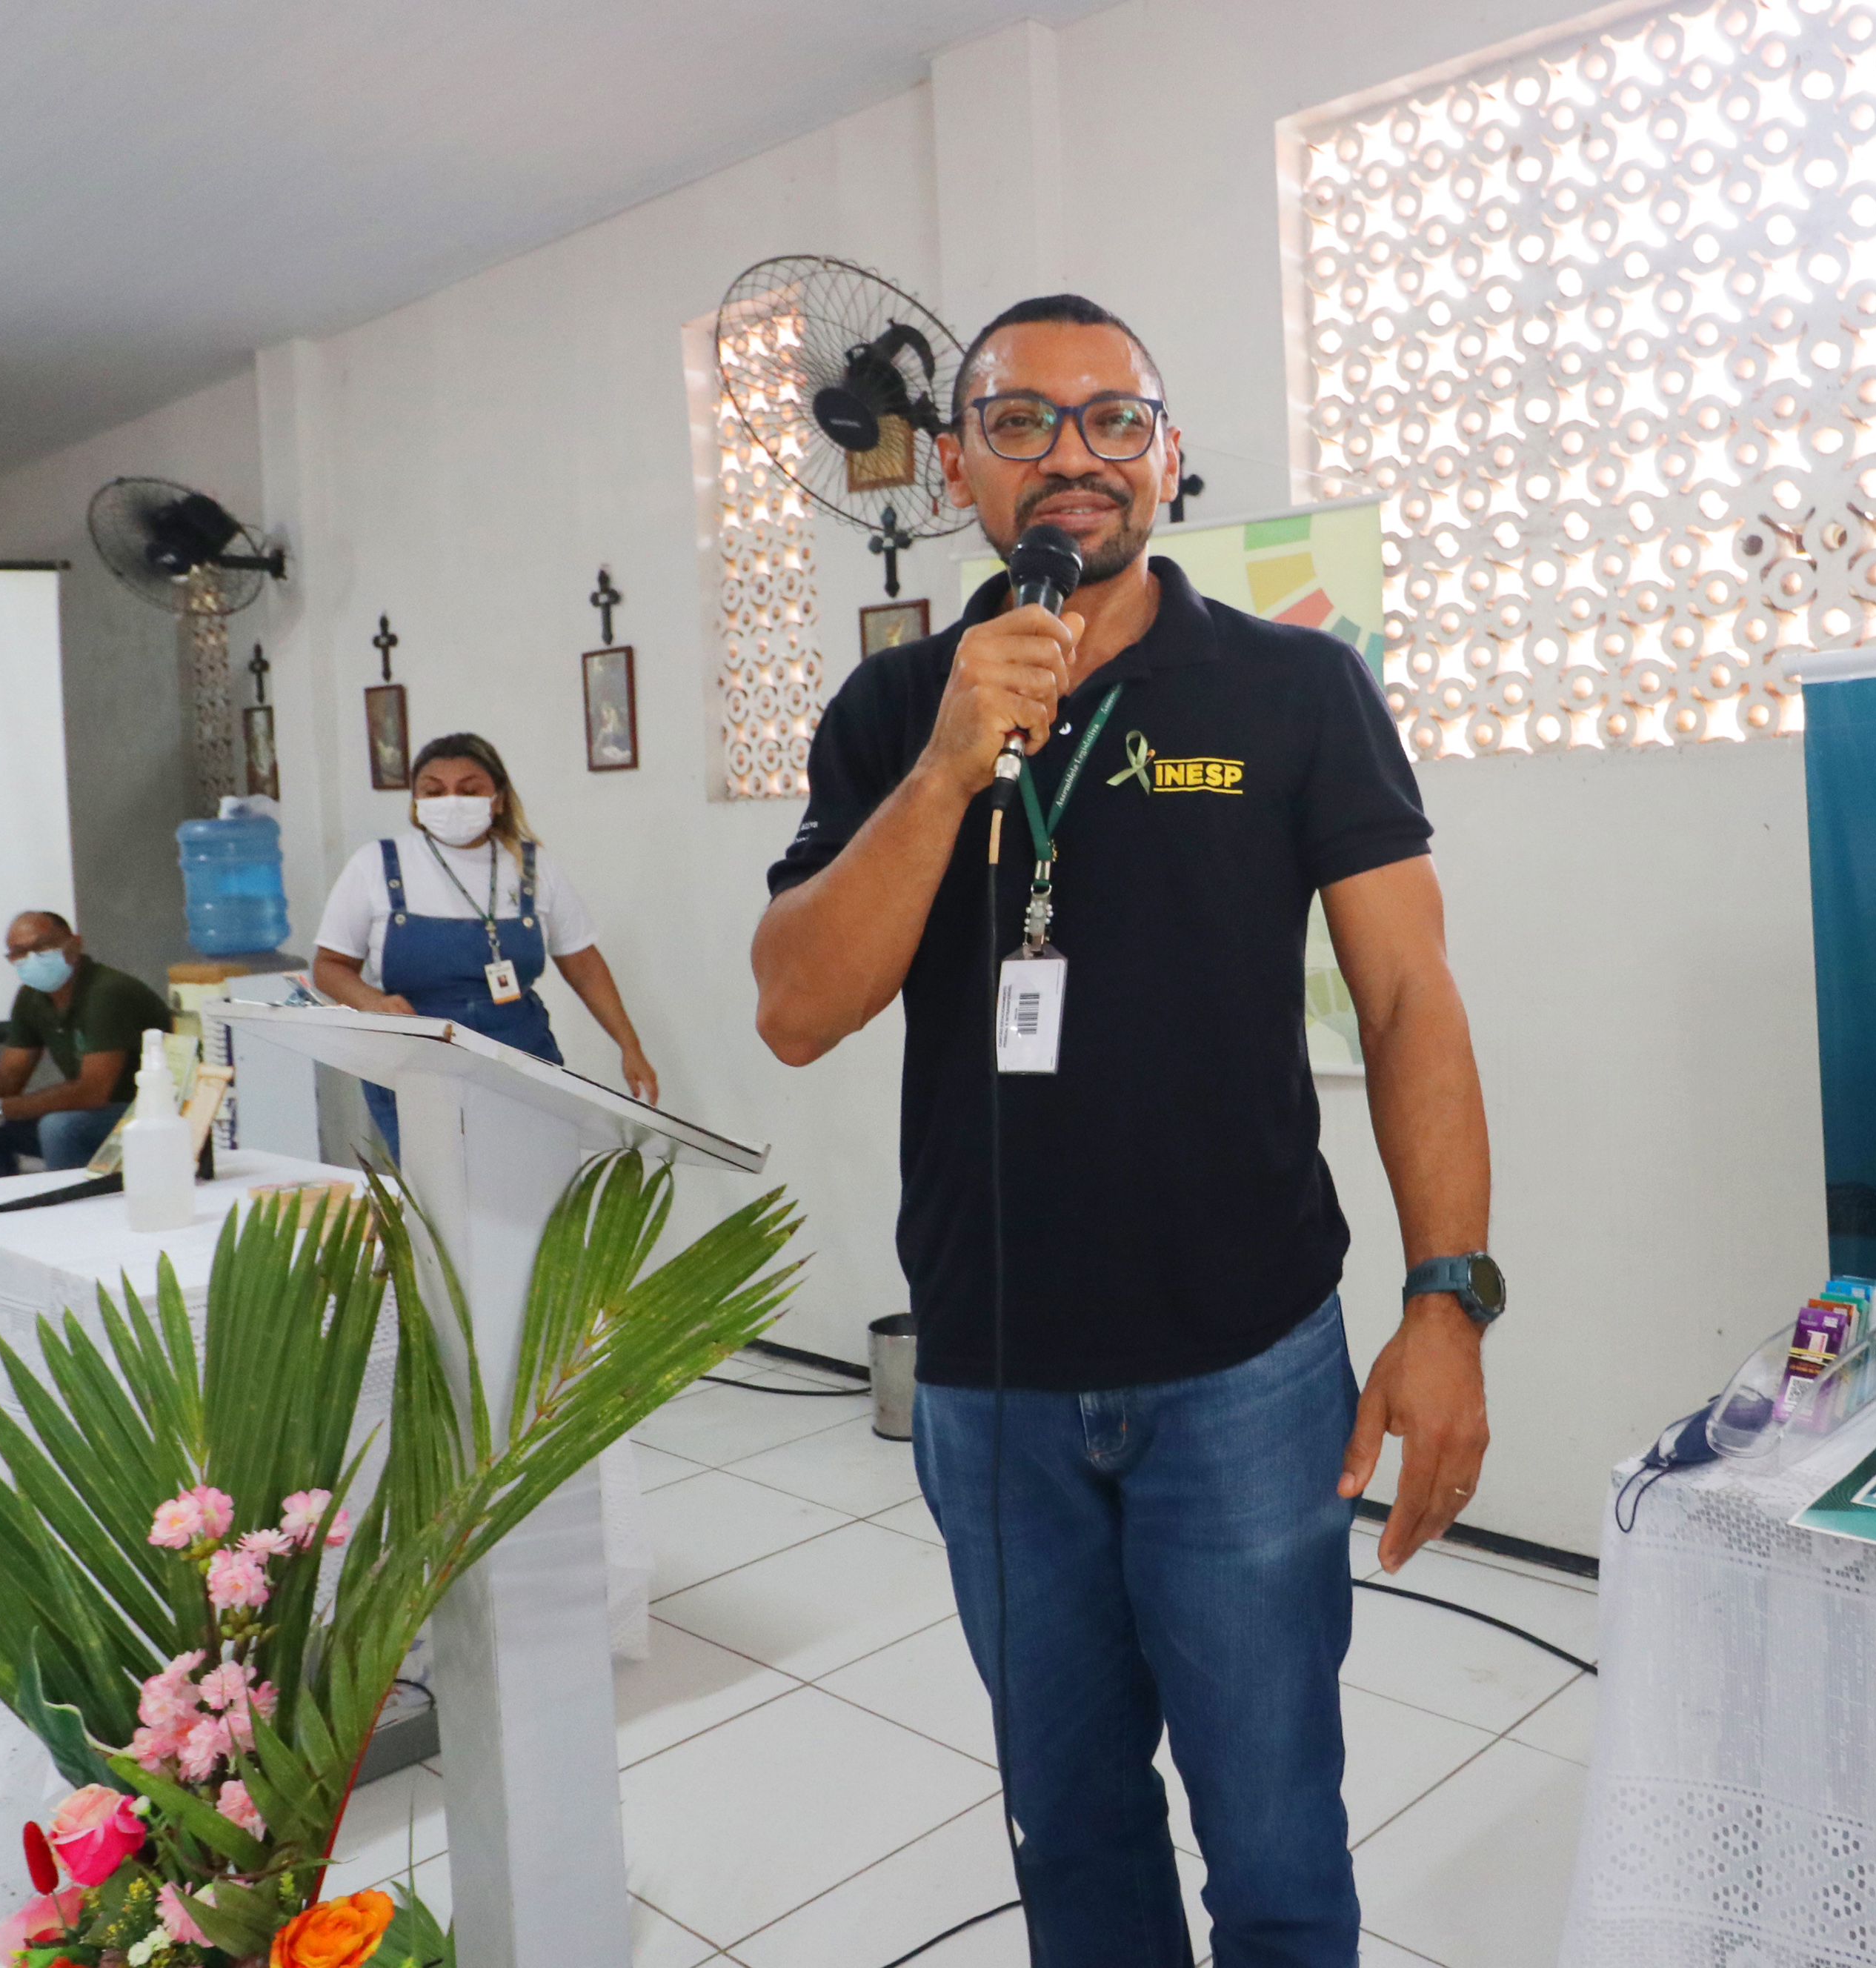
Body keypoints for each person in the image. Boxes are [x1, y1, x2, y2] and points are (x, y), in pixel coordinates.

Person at [752, 294, 1499, 1968]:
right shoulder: (893, 708)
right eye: (1020, 421)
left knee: (1275, 1835)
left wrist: (1445, 1296)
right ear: (958, 466)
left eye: (1112, 418)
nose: (1070, 455)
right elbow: (797, 1008)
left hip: (1246, 1366)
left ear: (1166, 455)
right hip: (990, 1374)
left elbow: (1408, 999)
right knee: (1072, 1826)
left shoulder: (1294, 686)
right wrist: (946, 768)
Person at [313, 732, 658, 1150]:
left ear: (498, 800)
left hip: (522, 1062)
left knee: (535, 1182)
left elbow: (584, 966)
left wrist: (629, 1046)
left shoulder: (532, 867)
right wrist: (371, 1001)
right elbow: (329, 966)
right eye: (434, 792)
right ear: (416, 803)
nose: (452, 802)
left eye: (469, 790)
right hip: (417, 1065)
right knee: (437, 1186)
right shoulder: (377, 865)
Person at [0, 912, 173, 1180]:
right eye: (19, 953)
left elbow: (93, 1092)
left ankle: (73, 1202)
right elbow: (9, 1077)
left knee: (60, 1127)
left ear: (75, 944)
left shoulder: (107, 992)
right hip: (92, 1115)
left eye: (43, 947)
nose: (32, 959)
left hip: (146, 1115)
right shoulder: (32, 997)